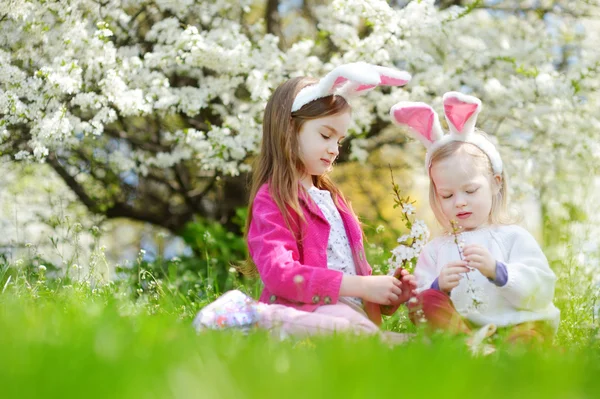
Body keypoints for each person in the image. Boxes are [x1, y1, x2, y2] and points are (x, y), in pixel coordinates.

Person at [194, 63, 417, 340]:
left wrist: (387, 294)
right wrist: (361, 285)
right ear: (289, 130)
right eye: (325, 135)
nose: (334, 149)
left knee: (364, 335)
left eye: (340, 140)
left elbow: (350, 272)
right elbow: (279, 273)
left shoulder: (334, 201)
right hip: (310, 311)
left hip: (351, 315)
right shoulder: (274, 198)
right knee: (361, 335)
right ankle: (255, 317)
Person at [389, 92, 560, 346]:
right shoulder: (435, 250)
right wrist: (438, 287)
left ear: (495, 183)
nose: (459, 202)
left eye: (470, 191)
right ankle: (469, 348)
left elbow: (542, 289)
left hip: (518, 326)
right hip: (465, 331)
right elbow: (418, 308)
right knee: (427, 301)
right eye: (447, 195)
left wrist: (498, 271)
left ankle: (502, 356)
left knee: (526, 342)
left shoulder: (512, 236)